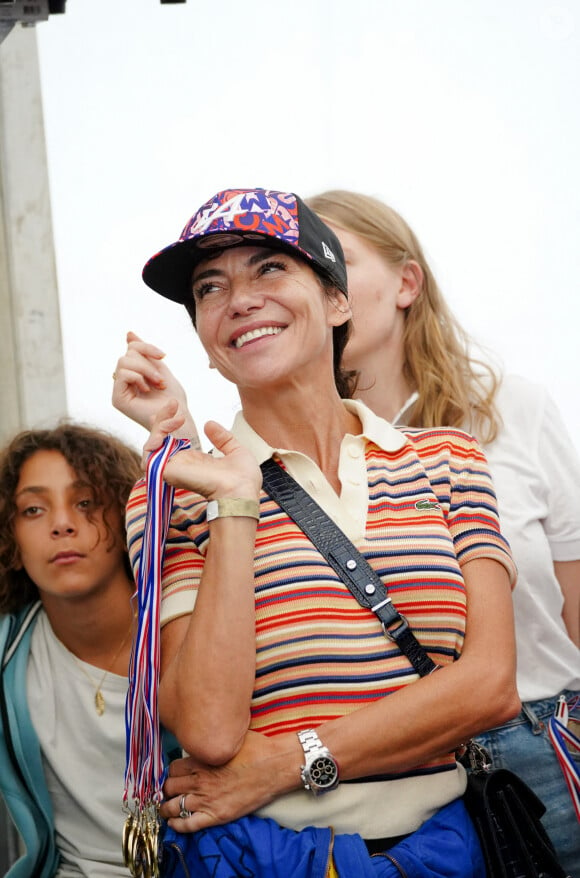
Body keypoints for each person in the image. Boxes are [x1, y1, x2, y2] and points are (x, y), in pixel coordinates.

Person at [114, 188, 580, 873]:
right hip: (271, 857)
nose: (239, 298)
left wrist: (292, 759)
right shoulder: (177, 494)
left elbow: (488, 687)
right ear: (208, 346)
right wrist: (236, 502)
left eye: (269, 268)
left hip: (451, 848)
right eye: (210, 288)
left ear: (337, 303)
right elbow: (209, 733)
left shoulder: (449, 458)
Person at [0, 422, 141, 877]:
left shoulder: (185, 626)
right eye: (34, 509)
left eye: (85, 502)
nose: (62, 523)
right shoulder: (10, 651)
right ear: (12, 540)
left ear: (125, 515)